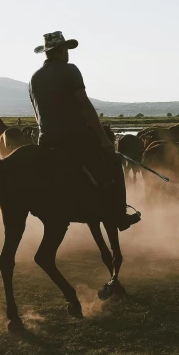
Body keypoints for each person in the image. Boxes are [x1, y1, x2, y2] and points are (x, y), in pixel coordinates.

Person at [29, 31, 141, 231]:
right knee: (114, 163)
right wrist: (103, 140)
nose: (68, 53)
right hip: (74, 139)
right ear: (62, 50)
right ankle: (119, 216)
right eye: (67, 49)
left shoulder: (34, 78)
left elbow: (38, 115)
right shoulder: (70, 70)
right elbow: (84, 104)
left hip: (46, 141)